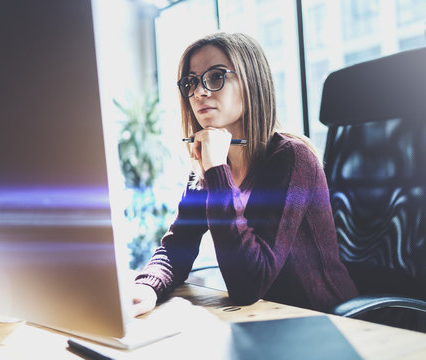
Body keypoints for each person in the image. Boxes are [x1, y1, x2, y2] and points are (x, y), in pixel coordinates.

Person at [131, 32, 357, 317]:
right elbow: (178, 245)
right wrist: (147, 288)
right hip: (265, 318)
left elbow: (250, 283)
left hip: (325, 320)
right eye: (191, 82)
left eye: (215, 77)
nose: (199, 92)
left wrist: (217, 171)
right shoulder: (208, 168)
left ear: (252, 83)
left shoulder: (291, 158)